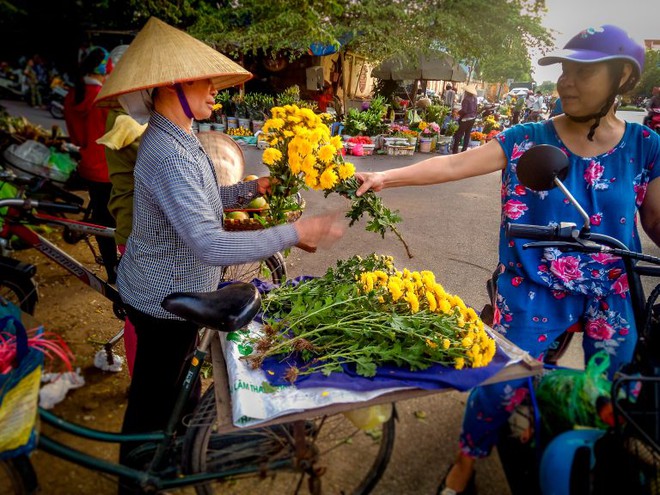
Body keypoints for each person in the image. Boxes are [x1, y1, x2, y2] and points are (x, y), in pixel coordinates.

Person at [355, 25, 660, 495]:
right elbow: (455, 164)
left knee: (622, 394)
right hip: (532, 284)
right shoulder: (526, 137)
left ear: (622, 77)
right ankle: (465, 463)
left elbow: (657, 222)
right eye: (564, 70)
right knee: (496, 386)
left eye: (583, 71)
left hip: (611, 289)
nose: (566, 82)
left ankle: (596, 456)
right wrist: (387, 178)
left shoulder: (646, 147)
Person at [94, 17, 345, 489]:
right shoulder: (166, 150)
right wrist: (294, 231)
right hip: (162, 297)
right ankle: (137, 477)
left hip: (175, 287)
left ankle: (169, 455)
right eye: (206, 81)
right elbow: (209, 243)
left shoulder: (180, 136)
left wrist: (247, 191)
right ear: (174, 85)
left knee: (166, 397)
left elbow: (198, 199)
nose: (215, 92)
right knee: (152, 402)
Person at [64, 46, 119, 283]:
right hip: (110, 170)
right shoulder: (105, 99)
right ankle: (121, 272)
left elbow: (76, 140)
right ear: (106, 70)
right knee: (117, 221)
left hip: (88, 169)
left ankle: (111, 269)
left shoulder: (72, 95)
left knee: (102, 220)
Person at [451, 84, 478, 154]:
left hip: (466, 119)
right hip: (472, 118)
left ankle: (455, 150)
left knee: (459, 134)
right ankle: (464, 150)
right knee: (467, 134)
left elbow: (464, 111)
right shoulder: (475, 99)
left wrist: (458, 113)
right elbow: (476, 109)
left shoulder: (466, 99)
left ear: (467, 92)